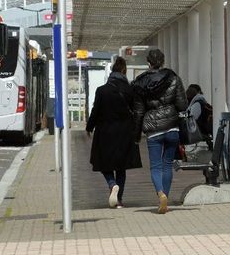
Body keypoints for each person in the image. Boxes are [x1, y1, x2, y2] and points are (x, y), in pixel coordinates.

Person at [132, 49, 187, 214]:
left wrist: (136, 135)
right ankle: (165, 200)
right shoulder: (174, 78)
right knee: (167, 164)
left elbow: (139, 112)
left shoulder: (140, 83)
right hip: (172, 127)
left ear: (148, 63)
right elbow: (183, 105)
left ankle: (160, 194)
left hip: (153, 129)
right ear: (163, 61)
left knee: (155, 166)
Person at [86, 57, 142, 209]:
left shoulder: (102, 90)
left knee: (103, 162)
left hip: (105, 132)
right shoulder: (130, 90)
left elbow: (95, 111)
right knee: (121, 167)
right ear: (124, 70)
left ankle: (112, 184)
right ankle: (119, 200)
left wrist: (89, 127)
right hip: (125, 132)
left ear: (112, 71)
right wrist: (138, 131)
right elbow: (137, 111)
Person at [186, 84, 213, 150]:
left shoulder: (196, 104)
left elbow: (192, 120)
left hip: (200, 132)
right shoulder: (202, 102)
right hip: (204, 131)